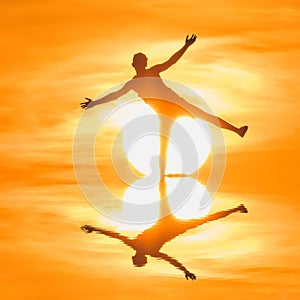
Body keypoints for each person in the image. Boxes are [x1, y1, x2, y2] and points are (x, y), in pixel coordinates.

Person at [80, 34, 248, 138]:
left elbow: (171, 61)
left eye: (144, 61)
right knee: (164, 141)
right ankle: (160, 176)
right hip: (164, 113)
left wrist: (186, 46)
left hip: (178, 104)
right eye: (140, 62)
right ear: (134, 64)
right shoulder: (132, 83)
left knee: (207, 116)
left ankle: (237, 131)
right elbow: (115, 95)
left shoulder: (154, 71)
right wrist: (94, 103)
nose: (143, 63)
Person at [81, 203, 248, 280]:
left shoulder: (140, 247)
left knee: (204, 220)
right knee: (204, 220)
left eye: (141, 260)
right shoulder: (142, 248)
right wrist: (185, 271)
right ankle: (236, 209)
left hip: (169, 224)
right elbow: (171, 260)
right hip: (171, 225)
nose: (143, 258)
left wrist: (95, 229)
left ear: (139, 258)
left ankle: (236, 209)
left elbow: (114, 235)